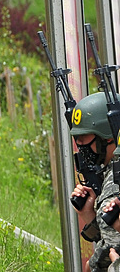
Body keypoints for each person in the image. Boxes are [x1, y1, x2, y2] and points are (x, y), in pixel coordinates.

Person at [69, 92, 120, 271]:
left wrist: (91, 265)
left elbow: (113, 247)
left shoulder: (114, 183)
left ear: (106, 137)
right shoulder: (109, 170)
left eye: (84, 137)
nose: (79, 144)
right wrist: (89, 215)